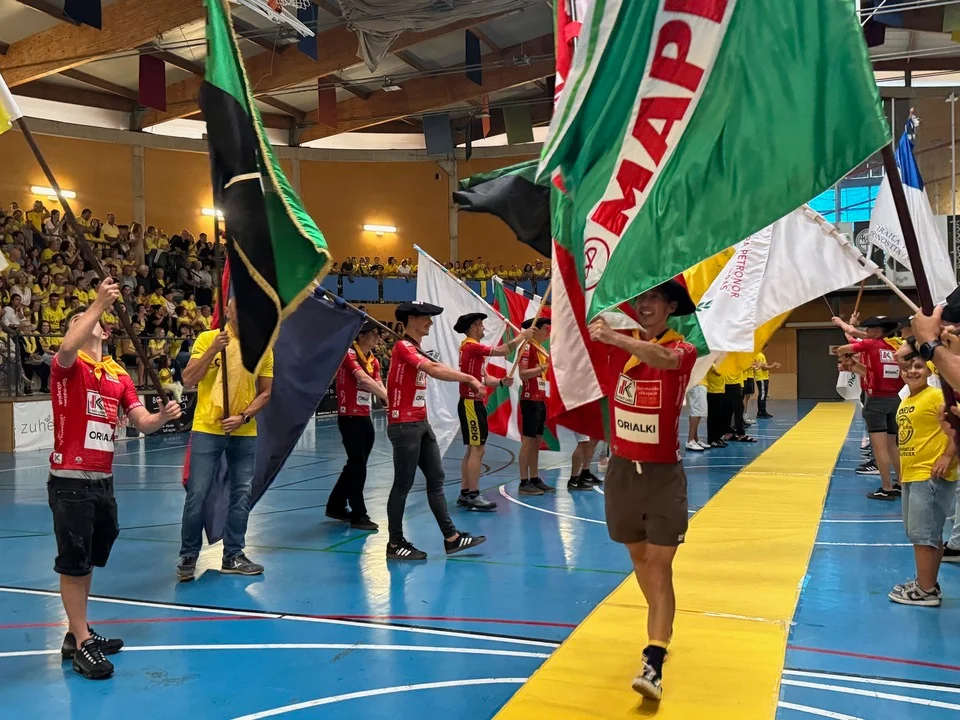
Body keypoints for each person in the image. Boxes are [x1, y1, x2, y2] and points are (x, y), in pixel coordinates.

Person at [47, 278, 181, 679]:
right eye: (77, 321)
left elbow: (141, 422)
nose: (82, 324)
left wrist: (162, 417)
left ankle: (77, 631)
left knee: (88, 559)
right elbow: (67, 347)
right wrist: (97, 304)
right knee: (73, 563)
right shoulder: (68, 367)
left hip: (103, 480)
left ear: (105, 333)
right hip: (70, 480)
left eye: (87, 320)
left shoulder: (118, 374)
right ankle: (81, 644)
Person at [587, 280, 698, 702]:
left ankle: (654, 659)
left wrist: (615, 337)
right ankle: (661, 624)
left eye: (655, 298)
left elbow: (664, 359)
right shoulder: (618, 344)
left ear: (670, 307)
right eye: (642, 297)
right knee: (640, 560)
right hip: (621, 473)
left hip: (663, 476)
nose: (646, 304)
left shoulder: (682, 349)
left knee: (660, 565)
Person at [176, 297, 274, 581]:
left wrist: (243, 416)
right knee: (197, 494)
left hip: (243, 431)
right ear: (228, 311)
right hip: (208, 428)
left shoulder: (262, 348)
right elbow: (188, 379)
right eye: (237, 307)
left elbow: (266, 392)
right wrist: (213, 351)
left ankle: (233, 555)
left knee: (241, 494)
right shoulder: (208, 339)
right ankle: (188, 555)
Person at [385, 301, 487, 561]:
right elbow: (433, 369)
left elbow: (438, 367)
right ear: (411, 319)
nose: (430, 321)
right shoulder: (403, 346)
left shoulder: (417, 348)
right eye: (425, 317)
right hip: (404, 425)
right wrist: (469, 378)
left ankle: (452, 538)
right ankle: (395, 543)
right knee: (403, 484)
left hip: (420, 422)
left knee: (436, 479)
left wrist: (467, 377)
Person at [887, 355, 957, 606]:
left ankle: (925, 591)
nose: (912, 371)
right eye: (906, 368)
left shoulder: (936, 396)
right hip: (913, 473)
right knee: (927, 532)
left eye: (918, 366)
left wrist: (947, 456)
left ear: (929, 370)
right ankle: (927, 583)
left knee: (922, 534)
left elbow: (957, 426)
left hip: (930, 474)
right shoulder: (908, 400)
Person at [453, 312, 530, 511]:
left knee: (473, 449)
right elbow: (503, 350)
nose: (484, 328)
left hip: (473, 403)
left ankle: (465, 492)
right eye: (480, 324)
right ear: (472, 327)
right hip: (471, 402)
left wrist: (501, 382)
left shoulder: (473, 352)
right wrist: (523, 336)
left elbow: (485, 379)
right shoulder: (472, 346)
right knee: (477, 449)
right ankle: (473, 494)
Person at [835, 316, 904, 500]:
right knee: (893, 445)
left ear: (878, 331)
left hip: (876, 400)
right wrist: (853, 364)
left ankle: (886, 488)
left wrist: (843, 356)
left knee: (879, 447)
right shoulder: (896, 346)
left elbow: (842, 348)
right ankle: (900, 483)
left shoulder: (871, 344)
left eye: (870, 329)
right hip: (895, 399)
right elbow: (871, 372)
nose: (866, 332)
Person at [327, 321, 387, 531]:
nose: (377, 337)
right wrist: (389, 398)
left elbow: (377, 383)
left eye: (378, 333)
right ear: (361, 336)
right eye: (373, 333)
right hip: (349, 416)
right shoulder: (349, 354)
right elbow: (363, 380)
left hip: (364, 415)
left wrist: (388, 403)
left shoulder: (374, 360)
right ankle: (358, 513)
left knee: (356, 464)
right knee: (358, 465)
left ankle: (335, 505)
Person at [685, 376, 709, 452]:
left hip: (698, 383)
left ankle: (695, 439)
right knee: (697, 412)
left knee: (696, 411)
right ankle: (690, 440)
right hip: (698, 383)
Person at [753, 350, 779, 419]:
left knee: (762, 395)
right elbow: (764, 368)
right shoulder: (761, 355)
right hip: (762, 378)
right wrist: (773, 365)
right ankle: (761, 412)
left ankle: (761, 411)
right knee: (762, 395)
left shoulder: (757, 355)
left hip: (761, 377)